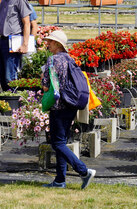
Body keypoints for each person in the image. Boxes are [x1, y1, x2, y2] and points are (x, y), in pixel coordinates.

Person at [40, 30, 96, 189]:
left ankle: (84, 171)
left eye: (50, 41)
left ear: (57, 44)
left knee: (57, 143)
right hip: (71, 104)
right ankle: (59, 180)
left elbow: (45, 86)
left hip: (58, 106)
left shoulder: (53, 60)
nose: (47, 44)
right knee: (61, 142)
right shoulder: (70, 59)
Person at [0, 0, 31, 91]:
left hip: (13, 40)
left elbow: (27, 22)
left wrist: (25, 44)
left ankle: (13, 103)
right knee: (1, 75)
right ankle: (7, 100)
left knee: (10, 76)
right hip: (3, 40)